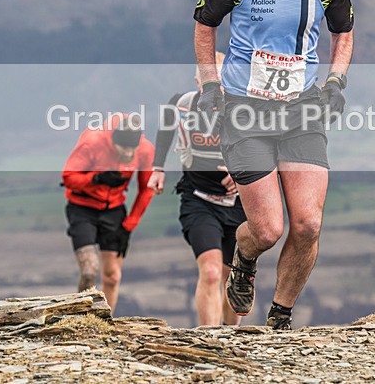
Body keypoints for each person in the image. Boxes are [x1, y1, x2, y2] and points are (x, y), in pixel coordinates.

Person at [193, 0, 354, 330]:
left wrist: (336, 81)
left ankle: (279, 318)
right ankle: (244, 256)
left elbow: (344, 31)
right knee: (266, 230)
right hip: (244, 109)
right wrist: (210, 85)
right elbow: (205, 23)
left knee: (307, 224)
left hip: (301, 107)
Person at [147, 52, 246, 326]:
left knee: (232, 277)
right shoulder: (182, 104)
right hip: (198, 199)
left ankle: (230, 337)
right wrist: (157, 167)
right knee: (212, 272)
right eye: (207, 79)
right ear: (197, 80)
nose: (214, 86)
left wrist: (243, 175)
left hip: (240, 204)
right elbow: (166, 127)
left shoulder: (246, 110)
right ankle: (209, 339)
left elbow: (269, 151)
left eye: (220, 79)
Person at [61, 112, 155, 315]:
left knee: (112, 275)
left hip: (113, 210)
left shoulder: (146, 150)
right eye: (124, 149)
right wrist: (96, 179)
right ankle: (81, 317)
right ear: (113, 142)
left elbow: (147, 188)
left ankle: (105, 321)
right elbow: (68, 177)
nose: (129, 154)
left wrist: (130, 224)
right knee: (89, 270)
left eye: (133, 149)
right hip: (82, 206)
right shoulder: (92, 142)